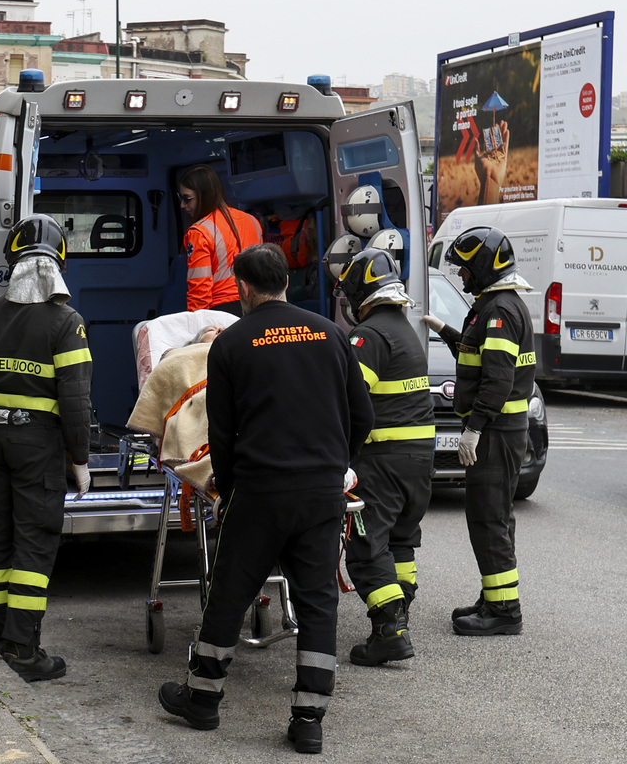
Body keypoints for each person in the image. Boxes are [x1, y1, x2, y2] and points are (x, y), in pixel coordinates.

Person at [158, 243, 373, 755]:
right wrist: (335, 466)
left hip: (259, 491)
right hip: (320, 493)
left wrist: (228, 490)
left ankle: (203, 700)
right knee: (317, 603)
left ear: (244, 288)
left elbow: (222, 433)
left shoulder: (231, 344)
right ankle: (309, 721)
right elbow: (362, 416)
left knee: (229, 594)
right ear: (286, 282)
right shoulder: (331, 334)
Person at [0, 214, 93, 682]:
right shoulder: (67, 323)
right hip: (36, 447)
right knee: (34, 544)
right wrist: (80, 458)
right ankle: (24, 651)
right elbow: (75, 403)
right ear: (59, 264)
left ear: (12, 263)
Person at [424, 226, 534, 636]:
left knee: (489, 519)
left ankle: (504, 611)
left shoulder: (499, 310)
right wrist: (444, 330)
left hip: (496, 432)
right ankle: (495, 597)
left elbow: (498, 380)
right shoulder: (495, 305)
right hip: (501, 431)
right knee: (494, 517)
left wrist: (473, 428)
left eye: (465, 269)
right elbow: (477, 356)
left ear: (485, 267)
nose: (462, 275)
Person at [336, 248, 435, 666]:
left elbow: (350, 400)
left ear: (362, 292)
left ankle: (389, 631)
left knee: (366, 545)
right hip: (418, 459)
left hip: (383, 459)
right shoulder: (403, 329)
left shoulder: (369, 335)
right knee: (400, 540)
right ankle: (400, 613)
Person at [178, 164, 263, 316]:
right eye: (181, 198)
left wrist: (197, 323)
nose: (183, 205)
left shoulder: (199, 232)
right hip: (256, 306)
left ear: (204, 196)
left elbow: (199, 290)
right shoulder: (252, 221)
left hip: (222, 311)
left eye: (187, 199)